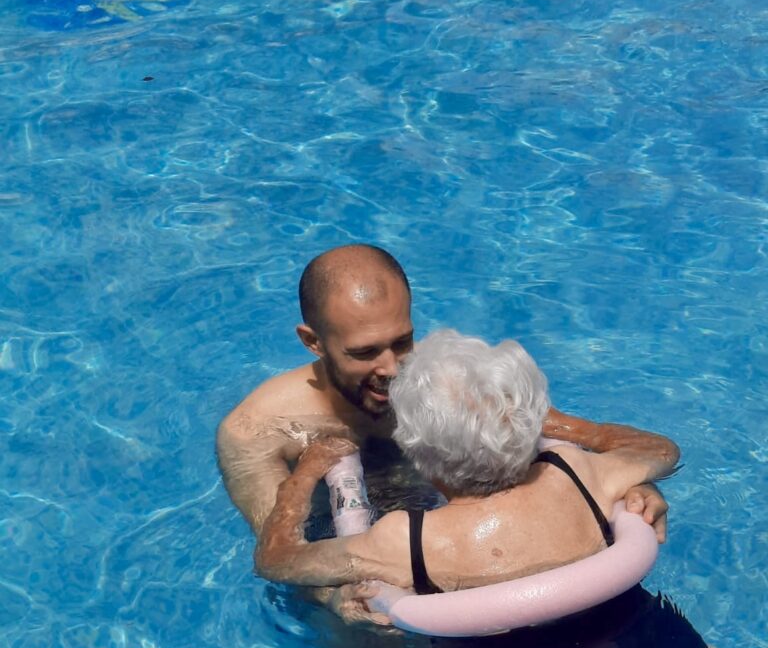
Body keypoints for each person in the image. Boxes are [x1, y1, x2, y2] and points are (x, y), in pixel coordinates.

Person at [217, 244, 670, 619]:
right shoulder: (255, 431)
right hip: (369, 560)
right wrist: (336, 601)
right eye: (365, 352)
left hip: (446, 539)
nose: (392, 370)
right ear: (312, 341)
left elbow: (582, 439)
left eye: (402, 342)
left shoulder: (451, 388)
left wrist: (632, 489)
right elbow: (281, 559)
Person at [256, 330, 680, 605]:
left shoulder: (406, 541)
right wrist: (565, 426)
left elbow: (276, 560)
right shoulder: (577, 470)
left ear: (417, 454)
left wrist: (302, 477)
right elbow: (662, 451)